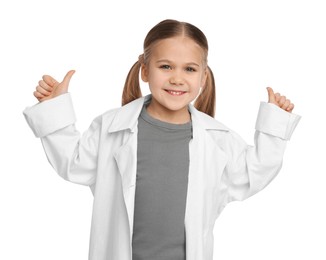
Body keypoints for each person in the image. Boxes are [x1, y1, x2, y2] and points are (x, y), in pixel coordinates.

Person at [23, 19, 301, 260]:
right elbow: (73, 163)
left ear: (203, 76)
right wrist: (54, 108)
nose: (177, 78)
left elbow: (253, 173)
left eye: (189, 69)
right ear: (145, 70)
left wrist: (274, 124)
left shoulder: (218, 140)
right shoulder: (111, 128)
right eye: (166, 66)